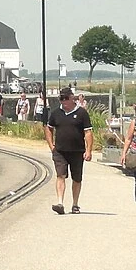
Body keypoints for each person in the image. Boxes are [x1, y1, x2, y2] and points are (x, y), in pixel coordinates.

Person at [44, 87, 94, 215]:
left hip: (77, 151)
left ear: (73, 98)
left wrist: (88, 150)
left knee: (76, 178)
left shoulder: (82, 113)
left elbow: (88, 132)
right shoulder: (56, 113)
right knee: (61, 175)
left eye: (66, 98)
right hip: (60, 151)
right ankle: (60, 203)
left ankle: (75, 204)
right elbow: (48, 128)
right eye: (61, 98)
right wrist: (51, 146)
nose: (64, 101)